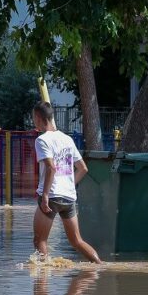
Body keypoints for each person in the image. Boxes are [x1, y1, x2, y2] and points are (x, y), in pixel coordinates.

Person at [32, 100, 101, 264]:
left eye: (34, 118)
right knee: (77, 241)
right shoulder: (67, 139)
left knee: (39, 241)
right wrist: (70, 185)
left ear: (39, 118)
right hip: (69, 197)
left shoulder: (41, 140)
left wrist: (46, 195)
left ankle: (42, 283)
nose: (34, 122)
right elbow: (83, 168)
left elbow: (51, 168)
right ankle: (100, 266)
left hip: (52, 196)